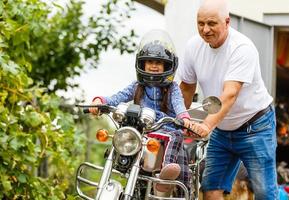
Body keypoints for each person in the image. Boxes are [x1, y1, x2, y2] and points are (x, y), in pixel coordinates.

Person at [178, 0, 278, 199]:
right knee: (210, 189)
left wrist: (206, 125)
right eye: (200, 23)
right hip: (222, 130)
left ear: (227, 22)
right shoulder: (193, 46)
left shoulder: (242, 48)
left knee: (264, 193)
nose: (205, 29)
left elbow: (230, 94)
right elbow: (187, 88)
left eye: (212, 23)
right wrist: (178, 116)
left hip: (255, 127)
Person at [89, 29, 193, 193]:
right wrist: (100, 101)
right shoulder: (137, 86)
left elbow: (179, 104)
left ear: (167, 65)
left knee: (177, 135)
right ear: (141, 63)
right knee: (122, 133)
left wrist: (184, 117)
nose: (153, 66)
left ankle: (165, 176)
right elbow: (119, 97)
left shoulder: (172, 88)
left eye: (158, 63)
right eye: (149, 61)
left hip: (165, 129)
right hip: (141, 131)